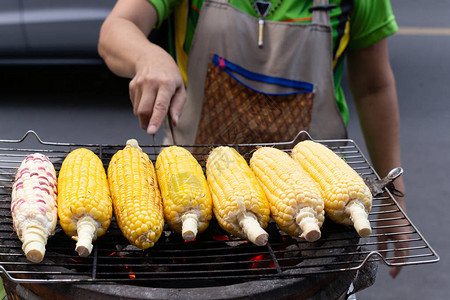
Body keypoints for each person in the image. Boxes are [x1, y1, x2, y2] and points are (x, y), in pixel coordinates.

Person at [98, 0, 409, 279]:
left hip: (320, 216)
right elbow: (117, 27)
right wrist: (147, 54)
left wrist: (395, 199)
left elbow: (374, 87)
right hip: (195, 203)